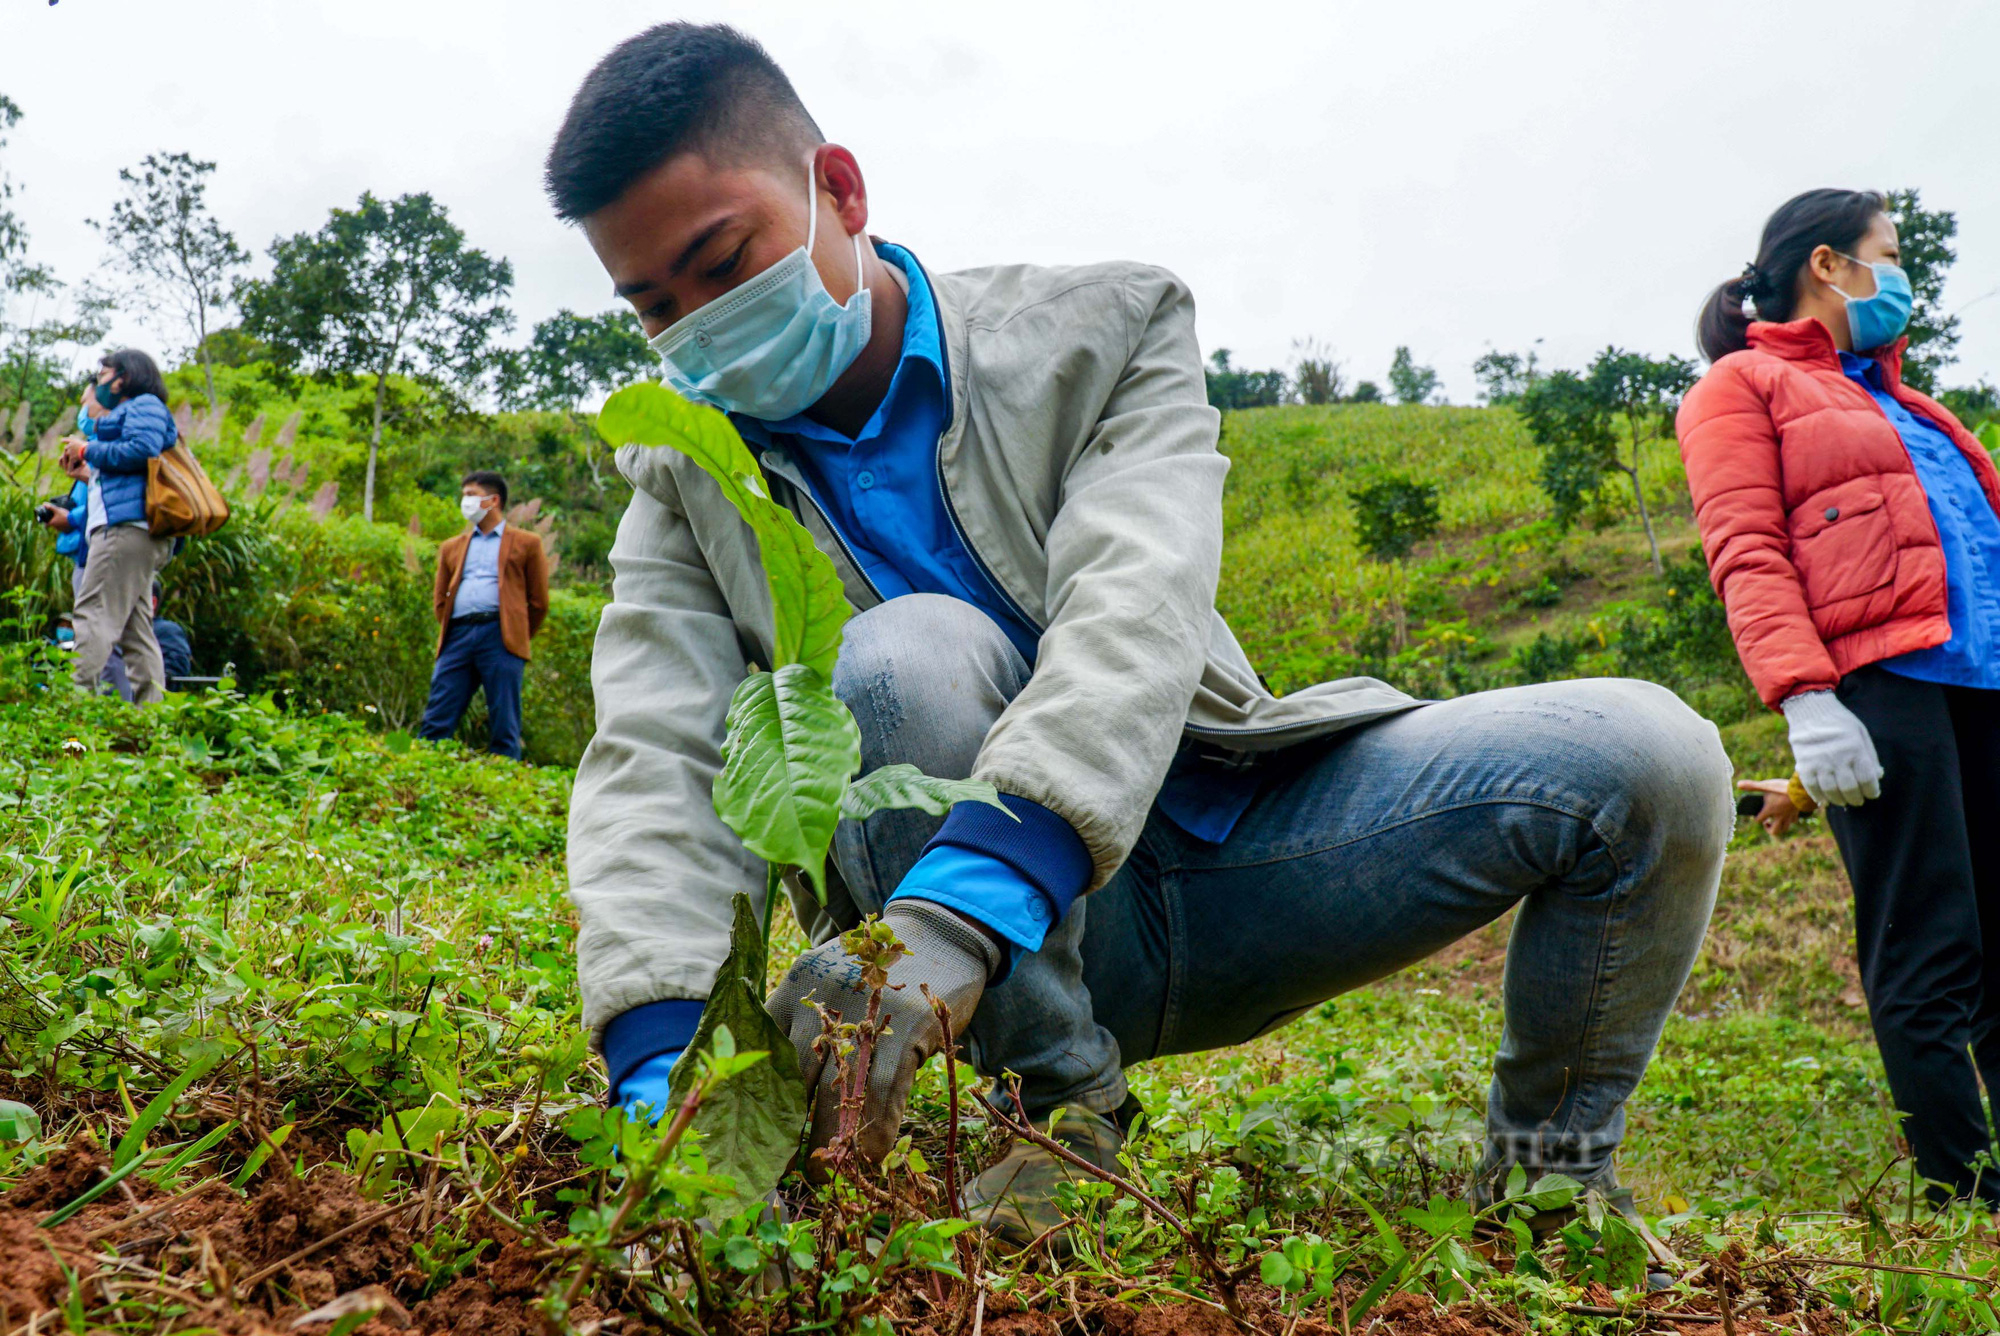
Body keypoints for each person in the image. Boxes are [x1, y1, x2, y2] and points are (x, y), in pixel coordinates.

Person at [553, 23, 1732, 1246]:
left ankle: (1552, 1184)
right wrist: (659, 1075)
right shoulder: (681, 480)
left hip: (1233, 853)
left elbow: (1136, 598)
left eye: (722, 261)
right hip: (961, 977)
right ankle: (1051, 1114)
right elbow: (658, 755)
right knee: (902, 659)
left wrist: (962, 909)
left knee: (1648, 757)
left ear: (837, 190)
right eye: (654, 307)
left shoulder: (1101, 329)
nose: (701, 325)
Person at [1679, 188, 2000, 1206]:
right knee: (1927, 941)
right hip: (1882, 682)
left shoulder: (1908, 404)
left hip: (1981, 684)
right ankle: (1964, 1206)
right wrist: (1806, 701)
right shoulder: (1741, 387)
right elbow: (1747, 552)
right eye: (1887, 253)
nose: (1899, 274)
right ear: (1827, 263)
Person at [59, 351, 177, 704]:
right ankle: (150, 715)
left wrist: (89, 449)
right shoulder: (135, 412)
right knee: (136, 629)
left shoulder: (145, 405)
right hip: (130, 530)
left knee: (92, 614)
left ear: (124, 376)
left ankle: (74, 707)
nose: (100, 381)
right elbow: (132, 467)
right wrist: (89, 468)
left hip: (124, 530)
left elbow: (142, 449)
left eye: (104, 373)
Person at [417, 471, 550, 760]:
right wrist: (453, 627)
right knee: (438, 712)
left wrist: (514, 635)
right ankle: (422, 768)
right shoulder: (452, 546)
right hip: (458, 634)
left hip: (500, 636)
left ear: (493, 500)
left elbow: (539, 602)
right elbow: (440, 599)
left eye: (471, 495)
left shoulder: (527, 543)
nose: (465, 501)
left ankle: (505, 780)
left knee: (504, 719)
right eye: (463, 495)